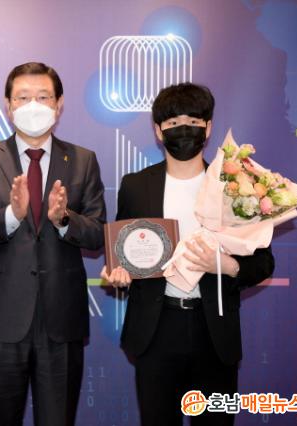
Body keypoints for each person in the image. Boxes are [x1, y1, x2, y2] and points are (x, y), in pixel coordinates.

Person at [101, 83, 275, 426]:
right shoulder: (135, 185)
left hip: (214, 330)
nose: (184, 129)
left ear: (208, 128)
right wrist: (118, 276)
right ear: (158, 130)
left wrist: (226, 265)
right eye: (173, 122)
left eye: (193, 121)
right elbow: (124, 255)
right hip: (155, 328)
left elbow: (264, 262)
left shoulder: (236, 186)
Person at [0, 62, 106, 426]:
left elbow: (98, 234)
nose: (33, 105)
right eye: (23, 97)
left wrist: (64, 219)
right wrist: (11, 214)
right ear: (8, 105)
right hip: (0, 319)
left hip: (61, 319)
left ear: (59, 104)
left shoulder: (83, 160)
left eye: (43, 97)